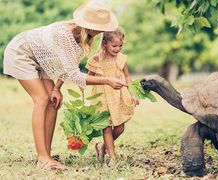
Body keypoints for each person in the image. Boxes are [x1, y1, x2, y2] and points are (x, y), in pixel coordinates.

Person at [2, 2, 127, 170]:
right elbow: (75, 75)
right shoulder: (64, 34)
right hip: (21, 53)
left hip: (42, 59)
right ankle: (43, 159)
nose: (101, 31)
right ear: (88, 24)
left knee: (53, 103)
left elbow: (68, 66)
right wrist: (107, 80)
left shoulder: (84, 37)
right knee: (42, 99)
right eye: (99, 27)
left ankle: (46, 153)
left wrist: (56, 88)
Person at [85, 28, 139, 165]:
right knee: (107, 127)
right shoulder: (97, 59)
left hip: (118, 96)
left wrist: (133, 93)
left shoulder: (121, 58)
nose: (117, 49)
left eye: (120, 45)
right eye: (114, 46)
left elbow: (127, 76)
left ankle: (101, 146)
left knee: (120, 128)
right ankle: (112, 158)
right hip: (101, 97)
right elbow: (88, 78)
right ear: (104, 43)